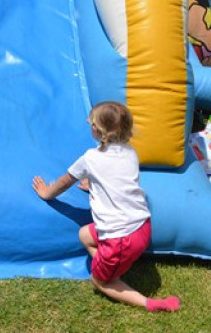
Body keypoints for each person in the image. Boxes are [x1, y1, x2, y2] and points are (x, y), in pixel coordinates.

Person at [32, 101, 180, 312]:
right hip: (142, 227)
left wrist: (47, 193)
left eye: (90, 121)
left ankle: (150, 303)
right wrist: (94, 185)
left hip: (121, 238)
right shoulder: (130, 152)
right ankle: (114, 265)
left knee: (99, 281)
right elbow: (119, 181)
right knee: (85, 235)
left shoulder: (90, 158)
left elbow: (65, 182)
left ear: (97, 129)